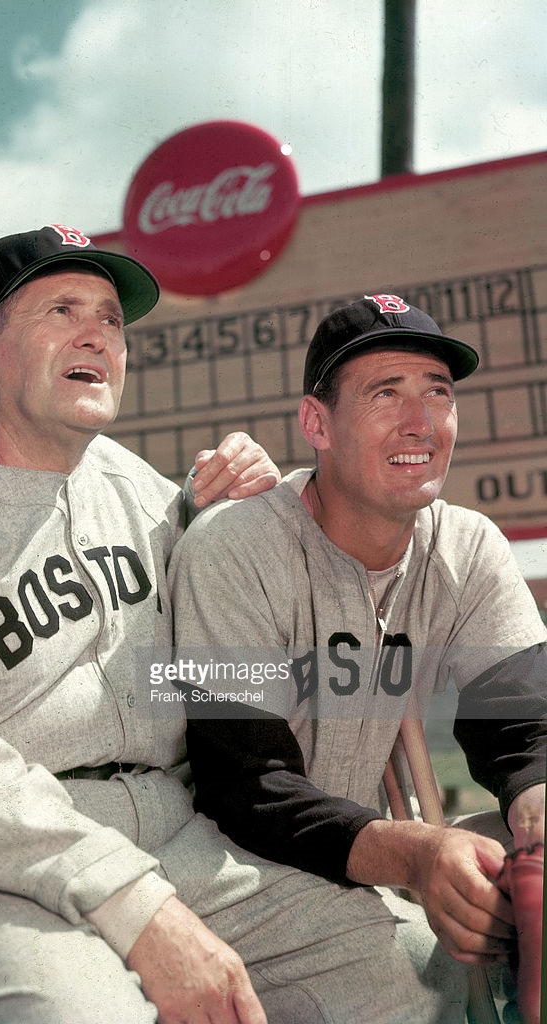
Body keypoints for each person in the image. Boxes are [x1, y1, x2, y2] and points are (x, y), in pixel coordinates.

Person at [0, 237, 464, 1024]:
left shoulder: (146, 494)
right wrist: (139, 910)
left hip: (171, 836)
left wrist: (222, 522)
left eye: (112, 321)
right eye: (62, 311)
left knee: (413, 969)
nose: (98, 335)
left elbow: (200, 660)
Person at [169, 293, 546, 1020]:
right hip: (226, 867)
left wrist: (537, 807)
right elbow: (247, 785)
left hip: (355, 852)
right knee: (423, 983)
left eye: (438, 393)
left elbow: (523, 730)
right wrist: (414, 854)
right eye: (386, 394)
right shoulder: (235, 547)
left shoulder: (467, 545)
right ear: (317, 424)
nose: (421, 421)